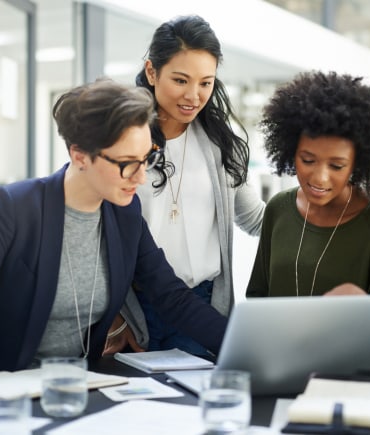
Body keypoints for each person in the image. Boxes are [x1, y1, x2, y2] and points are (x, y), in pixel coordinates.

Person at [0, 79, 228, 404]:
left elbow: (171, 296)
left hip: (66, 396)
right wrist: (0, 402)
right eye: (127, 163)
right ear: (80, 155)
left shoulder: (124, 214)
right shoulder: (14, 209)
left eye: (147, 159)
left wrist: (239, 345)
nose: (141, 177)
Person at [105, 15, 265, 357]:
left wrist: (323, 210)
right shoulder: (121, 139)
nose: (194, 95)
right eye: (180, 80)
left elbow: (255, 219)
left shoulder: (221, 143)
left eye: (206, 83)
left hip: (202, 308)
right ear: (152, 72)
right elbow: (96, 231)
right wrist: (116, 316)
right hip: (134, 311)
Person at [246, 71, 370, 370]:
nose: (319, 178)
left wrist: (358, 313)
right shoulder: (279, 209)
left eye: (337, 165)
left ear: (357, 164)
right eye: (307, 160)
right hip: (281, 371)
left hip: (352, 382)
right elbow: (257, 301)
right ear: (289, 151)